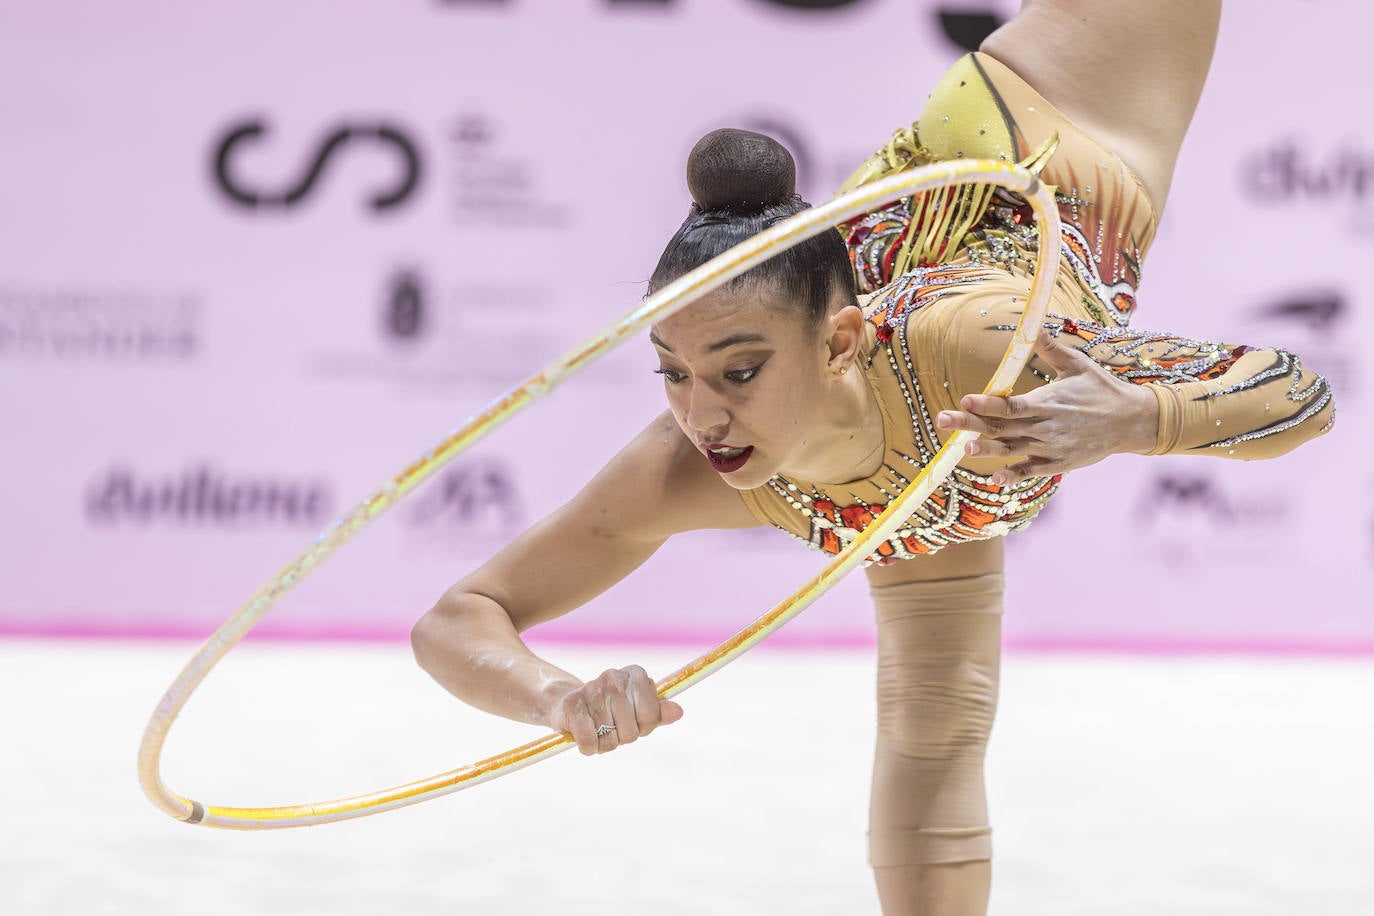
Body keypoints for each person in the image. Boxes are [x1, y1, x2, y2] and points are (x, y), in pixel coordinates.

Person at [411, 2, 1335, 913]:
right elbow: (458, 619)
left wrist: (1138, 417)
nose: (703, 416)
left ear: (841, 343)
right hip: (905, 400)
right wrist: (560, 699)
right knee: (933, 732)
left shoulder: (983, 353)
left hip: (1051, 121)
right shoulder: (695, 460)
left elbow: (1299, 393)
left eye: (738, 371)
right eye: (672, 373)